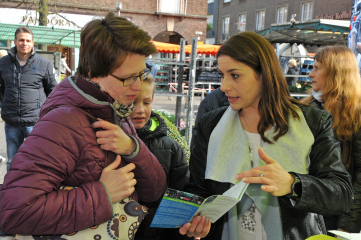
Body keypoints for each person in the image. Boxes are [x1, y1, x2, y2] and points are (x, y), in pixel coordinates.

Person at [0, 12, 166, 236]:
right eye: (128, 78)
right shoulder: (63, 122)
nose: (137, 87)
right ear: (93, 74)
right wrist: (102, 194)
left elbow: (156, 190)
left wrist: (133, 148)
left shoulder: (115, 108)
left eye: (142, 73)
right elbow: (12, 212)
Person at [179, 32, 353, 240]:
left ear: (264, 74)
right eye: (222, 75)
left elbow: (341, 194)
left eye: (234, 75)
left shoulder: (313, 122)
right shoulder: (211, 125)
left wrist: (292, 183)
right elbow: (197, 189)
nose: (224, 86)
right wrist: (198, 220)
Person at [303, 45, 361, 235]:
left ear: (336, 73)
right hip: (305, 208)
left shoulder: (356, 115)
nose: (310, 74)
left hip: (336, 216)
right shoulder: (306, 106)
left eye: (317, 68)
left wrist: (346, 228)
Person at [130, 65, 189, 240]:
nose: (140, 109)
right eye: (133, 102)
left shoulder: (171, 148)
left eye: (146, 102)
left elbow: (180, 203)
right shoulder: (106, 142)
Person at [0, 27, 57, 172]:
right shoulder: (3, 63)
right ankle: (11, 192)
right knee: (13, 162)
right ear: (15, 41)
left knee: (38, 161)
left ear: (32, 43)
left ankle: (35, 190)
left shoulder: (44, 64)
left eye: (27, 40)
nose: (24, 43)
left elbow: (53, 91)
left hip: (35, 123)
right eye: (21, 40)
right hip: (12, 122)